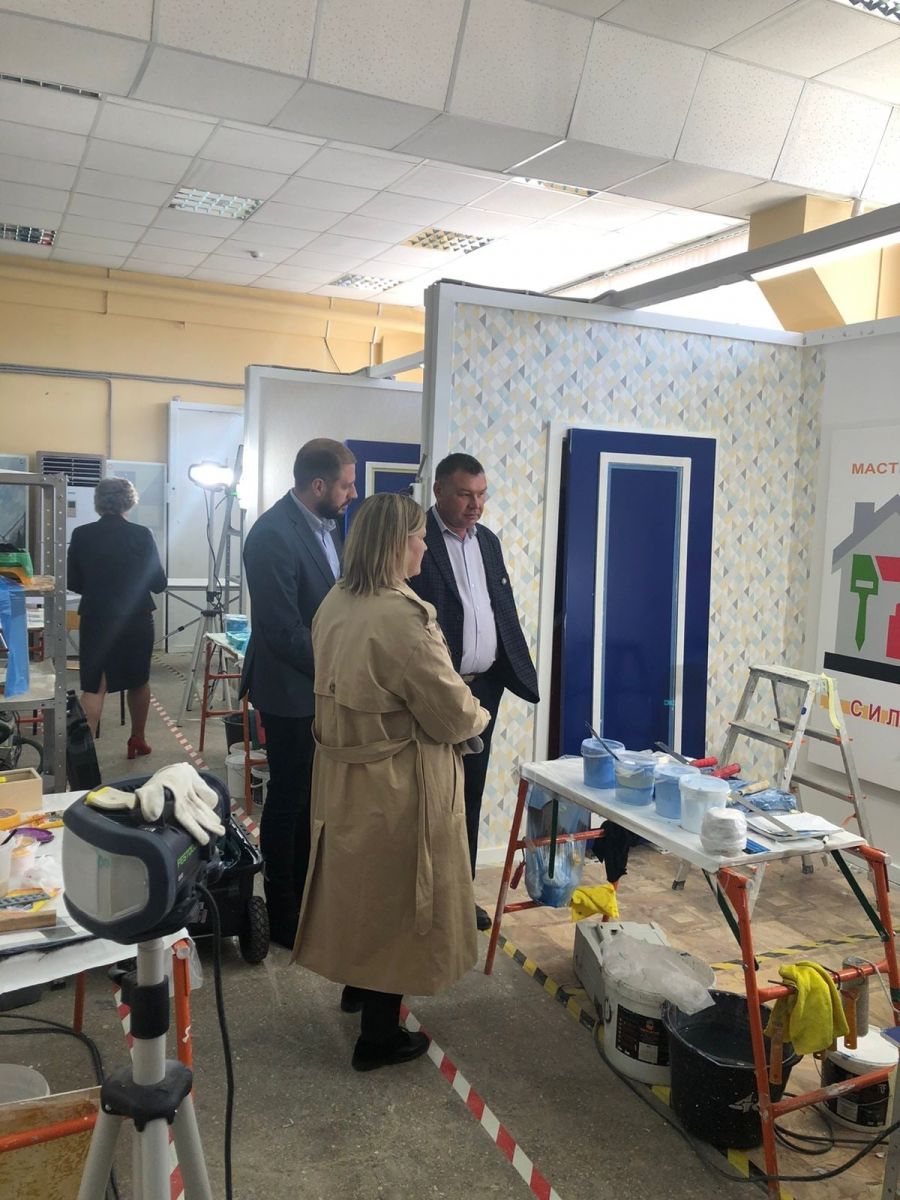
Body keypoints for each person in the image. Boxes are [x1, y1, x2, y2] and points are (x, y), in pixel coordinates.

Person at [293, 492, 490, 1071]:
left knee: (358, 887)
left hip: (342, 773)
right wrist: (479, 717)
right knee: (399, 896)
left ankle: (356, 987)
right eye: (419, 537)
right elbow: (451, 712)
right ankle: (378, 1038)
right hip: (396, 780)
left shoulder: (336, 601)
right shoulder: (403, 618)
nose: (426, 547)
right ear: (396, 544)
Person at [408, 453, 539, 930]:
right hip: (437, 691)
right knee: (429, 797)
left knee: (470, 793)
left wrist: (511, 670)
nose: (475, 505)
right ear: (439, 490)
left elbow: (499, 608)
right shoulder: (416, 538)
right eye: (465, 494)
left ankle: (460, 899)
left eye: (482, 495)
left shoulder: (488, 541)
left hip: (484, 689)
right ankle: (422, 903)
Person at [240, 438, 357, 949]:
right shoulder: (272, 535)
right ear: (318, 485)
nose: (352, 493)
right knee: (289, 797)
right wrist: (343, 667)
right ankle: (284, 910)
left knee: (316, 798)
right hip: (291, 690)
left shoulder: (330, 527)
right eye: (347, 485)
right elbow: (282, 630)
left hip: (322, 686)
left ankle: (312, 897)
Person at [67, 477, 167, 757]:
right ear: (129, 502)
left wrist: (99, 588)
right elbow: (158, 583)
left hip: (96, 617)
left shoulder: (82, 534)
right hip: (136, 618)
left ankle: (83, 759)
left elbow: (73, 581)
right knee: (138, 680)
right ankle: (137, 739)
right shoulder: (141, 534)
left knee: (94, 685)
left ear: (98, 503)